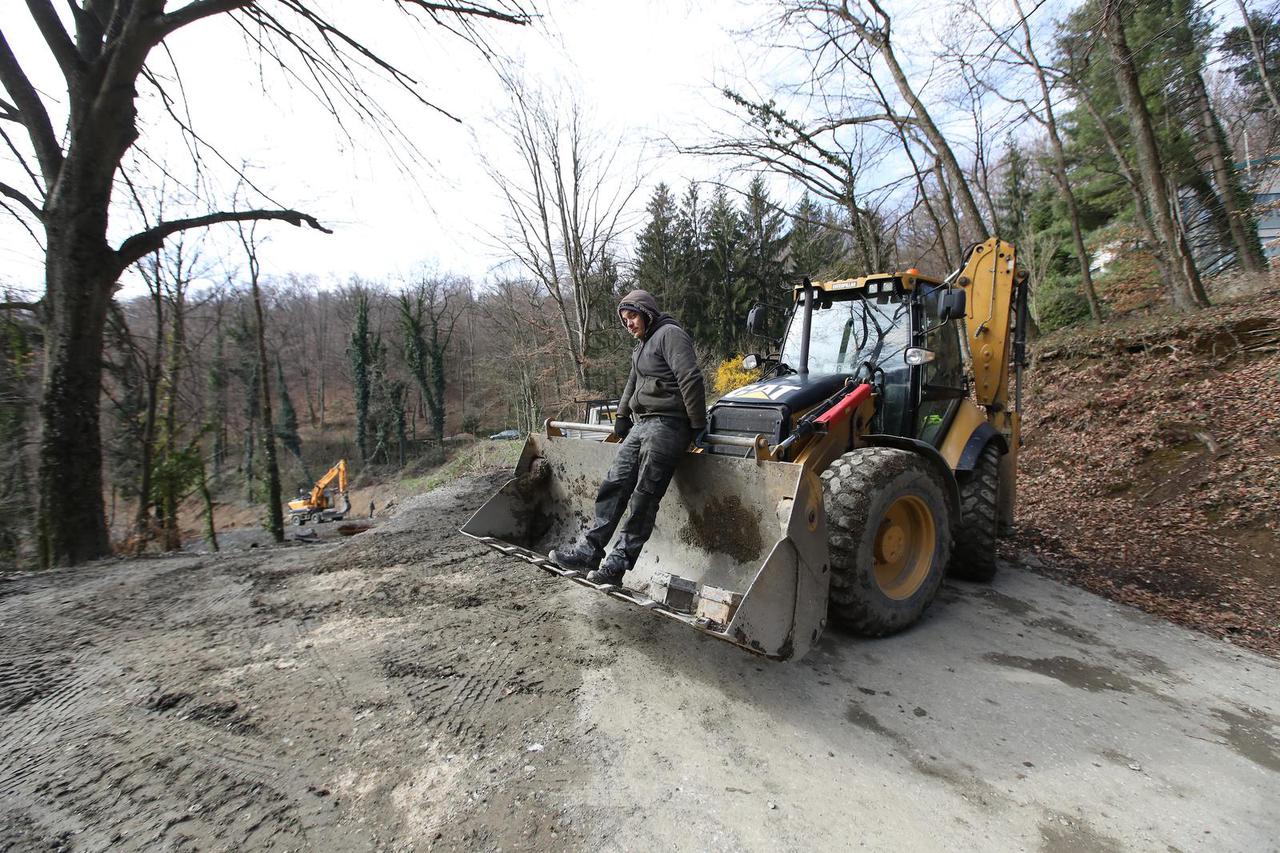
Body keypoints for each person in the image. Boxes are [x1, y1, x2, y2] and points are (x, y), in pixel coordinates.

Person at [550, 289, 707, 586]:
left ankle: (616, 566)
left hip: (669, 425)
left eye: (632, 316)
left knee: (644, 497)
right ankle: (589, 551)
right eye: (624, 321)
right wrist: (622, 415)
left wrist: (697, 424)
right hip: (642, 424)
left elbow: (690, 377)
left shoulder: (670, 335)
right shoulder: (641, 347)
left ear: (646, 312)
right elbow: (632, 382)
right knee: (615, 484)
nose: (629, 324)